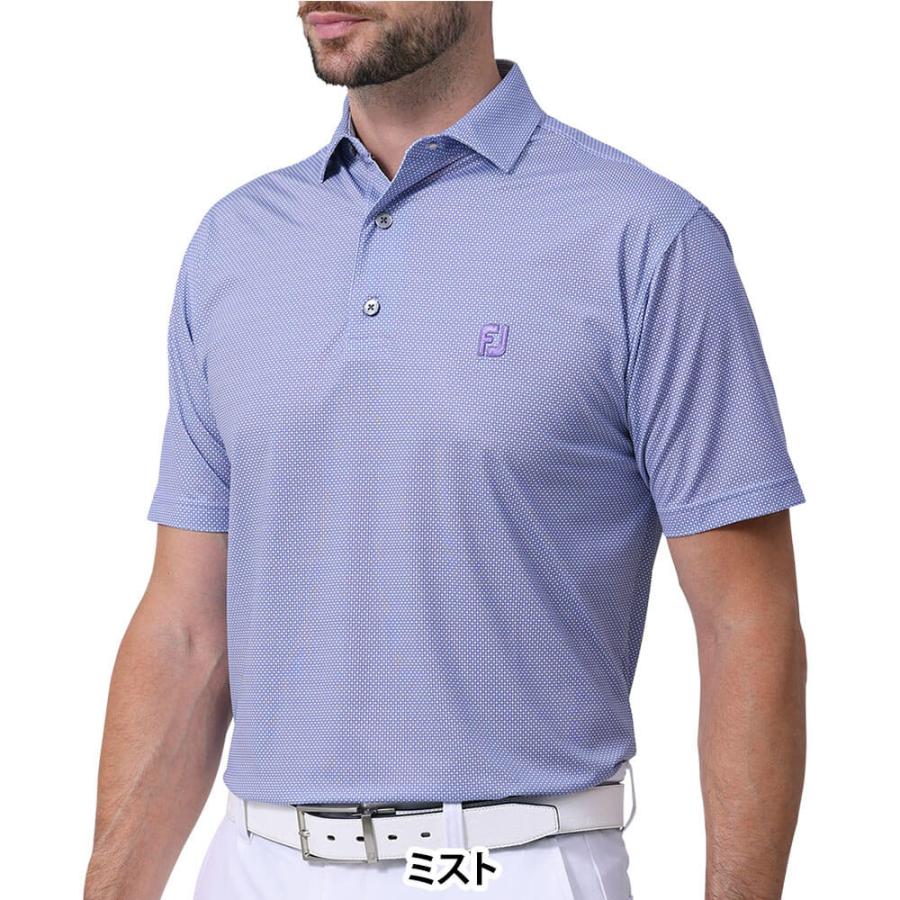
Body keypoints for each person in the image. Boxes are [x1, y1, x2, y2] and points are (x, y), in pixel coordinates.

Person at [84, 3, 807, 898]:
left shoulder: (647, 237)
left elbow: (746, 625)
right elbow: (187, 630)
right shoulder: (235, 243)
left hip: (510, 866)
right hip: (254, 864)